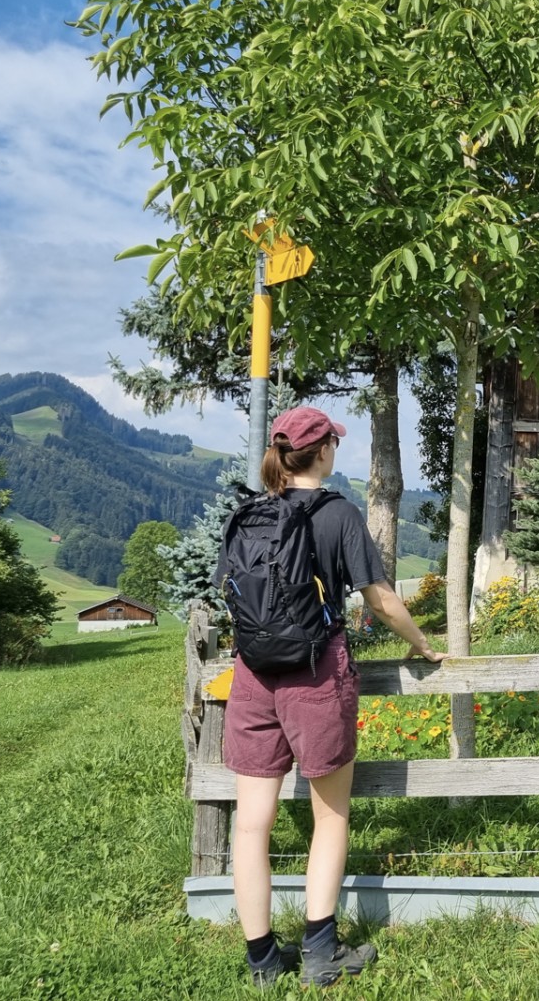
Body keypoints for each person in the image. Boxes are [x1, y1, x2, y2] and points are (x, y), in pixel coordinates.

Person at [217, 406, 445, 988]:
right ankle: (321, 952)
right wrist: (421, 642)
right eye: (333, 444)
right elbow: (380, 600)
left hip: (253, 675)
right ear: (322, 452)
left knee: (252, 824)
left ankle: (263, 960)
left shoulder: (250, 513)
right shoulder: (338, 514)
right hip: (316, 675)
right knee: (330, 813)